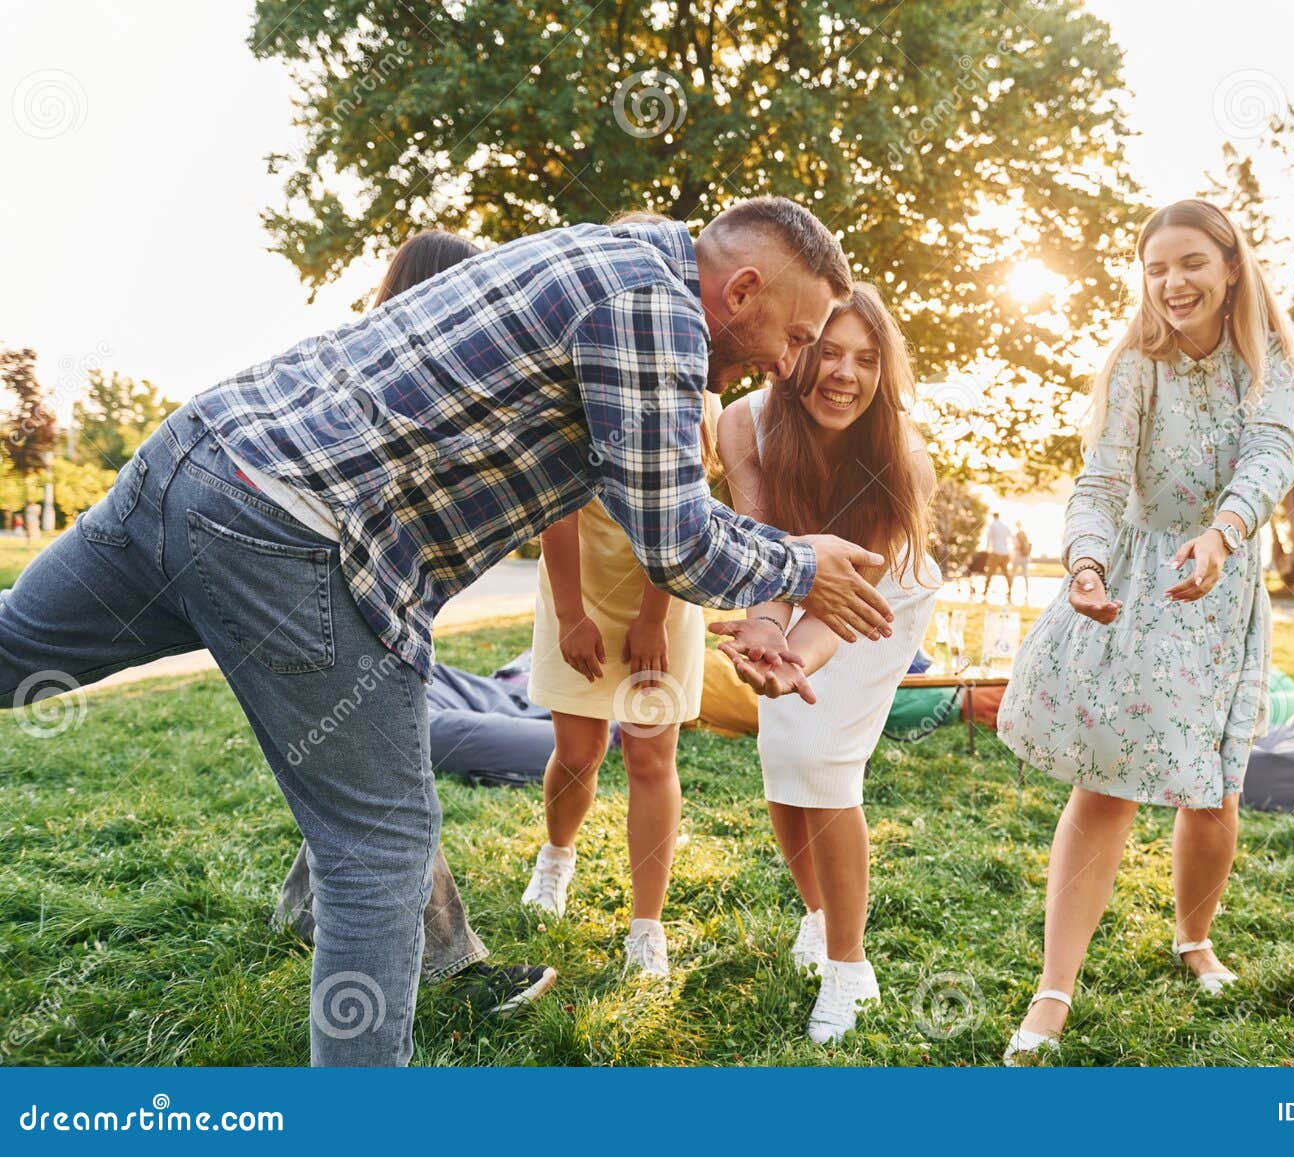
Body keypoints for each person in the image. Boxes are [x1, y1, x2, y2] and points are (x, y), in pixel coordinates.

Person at [0, 197, 895, 1066]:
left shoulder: (604, 256)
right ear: (740, 293)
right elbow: (676, 540)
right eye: (797, 335)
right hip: (292, 532)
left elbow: (644, 504)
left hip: (189, 458)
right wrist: (802, 565)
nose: (792, 364)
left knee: (14, 651)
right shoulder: (656, 308)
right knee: (380, 849)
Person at [995, 199, 1294, 1064]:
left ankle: (1192, 937)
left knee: (1214, 788)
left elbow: (1268, 457)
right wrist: (1085, 564)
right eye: (1157, 266)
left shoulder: (1268, 362)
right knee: (1107, 782)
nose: (1173, 282)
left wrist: (1223, 534)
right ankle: (1054, 986)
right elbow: (1099, 482)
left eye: (1192, 263)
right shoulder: (1137, 364)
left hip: (1221, 581)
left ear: (1231, 267)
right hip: (1136, 585)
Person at [270, 231, 555, 1017]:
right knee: (395, 789)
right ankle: (452, 966)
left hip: (314, 601)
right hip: (314, 601)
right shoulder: (397, 400)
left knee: (353, 767)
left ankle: (302, 904)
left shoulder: (373, 378)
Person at [714, 284, 940, 1043]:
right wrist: (765, 630)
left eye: (867, 360)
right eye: (830, 352)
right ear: (795, 350)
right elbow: (761, 539)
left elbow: (845, 605)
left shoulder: (898, 452)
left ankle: (851, 969)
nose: (845, 373)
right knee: (784, 757)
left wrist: (793, 660)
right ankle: (818, 918)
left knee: (826, 759)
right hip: (792, 582)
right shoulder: (743, 422)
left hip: (879, 599)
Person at [521, 263, 720, 975]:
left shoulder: (698, 393)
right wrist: (571, 613)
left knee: (648, 754)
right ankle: (556, 860)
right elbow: (557, 508)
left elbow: (685, 518)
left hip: (661, 592)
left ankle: (646, 926)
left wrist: (655, 618)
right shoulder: (567, 383)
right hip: (575, 585)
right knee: (578, 752)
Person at [981, 512, 1013, 602]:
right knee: (1006, 573)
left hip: (996, 552)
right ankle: (1010, 591)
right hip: (1005, 553)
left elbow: (989, 539)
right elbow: (1011, 537)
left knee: (990, 573)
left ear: (993, 517)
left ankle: (985, 591)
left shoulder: (992, 526)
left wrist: (987, 551)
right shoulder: (1005, 526)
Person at [1011, 526, 1032, 604]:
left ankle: (1010, 591)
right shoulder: (1025, 535)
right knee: (1026, 575)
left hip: (1018, 556)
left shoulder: (1016, 535)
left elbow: (1016, 546)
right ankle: (1027, 592)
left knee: (1013, 574)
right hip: (1025, 557)